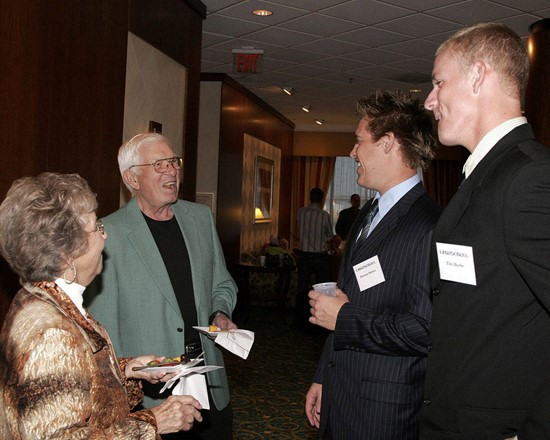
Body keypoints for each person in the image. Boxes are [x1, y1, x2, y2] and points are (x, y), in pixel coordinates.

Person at [419, 23, 550, 439]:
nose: (429, 101)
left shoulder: (528, 178)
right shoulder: (490, 173)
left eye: (439, 83)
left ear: (478, 76)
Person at [0, 172, 202, 439]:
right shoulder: (52, 333)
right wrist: (153, 422)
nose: (104, 237)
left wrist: (129, 369)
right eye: (97, 227)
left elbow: (71, 381)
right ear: (67, 252)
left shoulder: (43, 298)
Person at [305, 90, 441, 439]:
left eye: (359, 141)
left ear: (388, 143)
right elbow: (346, 297)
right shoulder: (368, 212)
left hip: (384, 410)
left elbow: (426, 330)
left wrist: (346, 318)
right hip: (341, 392)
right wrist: (323, 375)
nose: (353, 152)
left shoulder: (430, 225)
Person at [86, 133, 237, 440]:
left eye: (174, 161)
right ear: (132, 177)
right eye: (159, 164)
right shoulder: (108, 233)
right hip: (153, 397)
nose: (172, 170)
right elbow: (101, 329)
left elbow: (222, 283)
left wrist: (220, 312)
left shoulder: (199, 218)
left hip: (209, 380)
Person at [296, 187, 333, 327]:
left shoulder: (300, 212)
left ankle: (300, 320)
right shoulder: (324, 215)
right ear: (322, 199)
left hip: (304, 255)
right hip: (319, 256)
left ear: (310, 197)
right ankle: (319, 321)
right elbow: (329, 236)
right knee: (322, 290)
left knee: (302, 288)